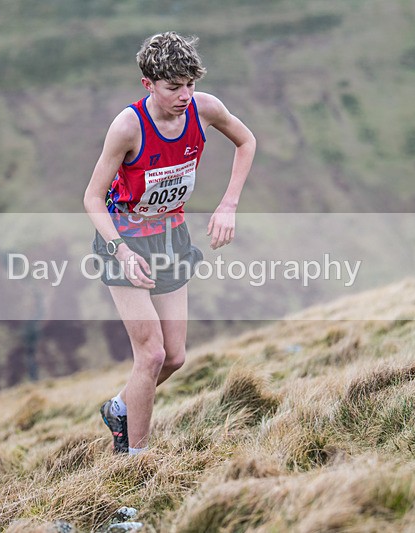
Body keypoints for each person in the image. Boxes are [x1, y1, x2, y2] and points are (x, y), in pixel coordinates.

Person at [83, 32, 256, 455]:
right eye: (173, 87)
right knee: (152, 355)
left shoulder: (205, 108)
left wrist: (228, 204)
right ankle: (135, 460)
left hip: (170, 237)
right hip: (124, 243)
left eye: (189, 84)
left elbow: (246, 141)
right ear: (149, 85)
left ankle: (121, 407)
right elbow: (91, 197)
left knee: (175, 357)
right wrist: (119, 251)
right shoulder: (127, 127)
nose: (184, 95)